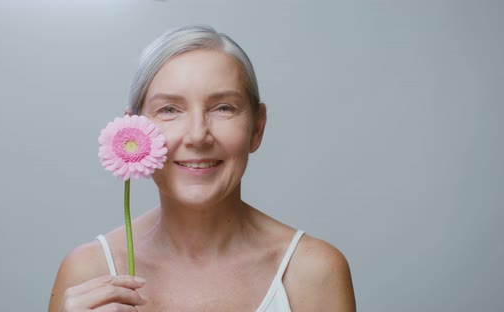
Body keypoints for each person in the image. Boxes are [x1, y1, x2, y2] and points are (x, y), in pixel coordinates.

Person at [49, 25, 356, 312]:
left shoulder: (313, 272)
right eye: (169, 109)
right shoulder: (88, 272)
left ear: (257, 128)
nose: (197, 135)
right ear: (132, 128)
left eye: (223, 108)